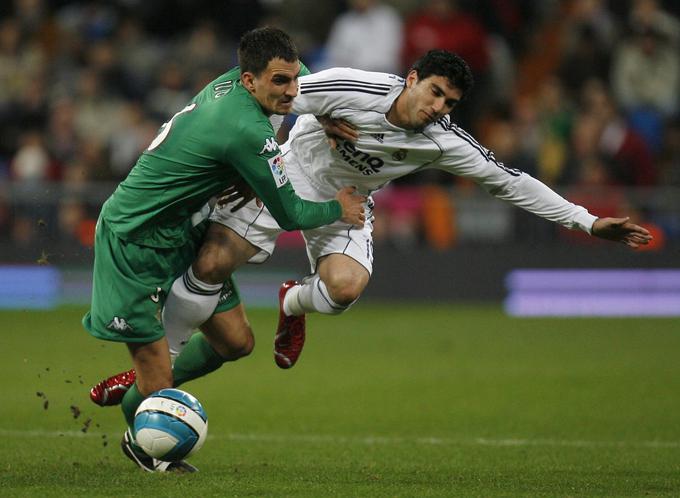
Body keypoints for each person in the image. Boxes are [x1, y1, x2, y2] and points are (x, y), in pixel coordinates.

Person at [91, 49, 652, 407]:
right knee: (212, 262)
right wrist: (306, 120)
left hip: (349, 201)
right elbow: (274, 96)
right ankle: (155, 374)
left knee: (345, 290)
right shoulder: (354, 87)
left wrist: (587, 219)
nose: (438, 107)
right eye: (433, 91)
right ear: (411, 79)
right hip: (290, 174)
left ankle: (293, 305)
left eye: (450, 102)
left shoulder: (443, 141)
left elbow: (510, 181)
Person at [83, 26, 366, 473]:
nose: (292, 91)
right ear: (249, 79)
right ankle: (143, 445)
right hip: (133, 241)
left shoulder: (244, 83)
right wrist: (339, 207)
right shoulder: (243, 127)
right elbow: (290, 213)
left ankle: (138, 385)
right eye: (280, 82)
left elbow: (305, 81)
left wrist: (321, 113)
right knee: (156, 385)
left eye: (293, 80)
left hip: (181, 229)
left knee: (237, 343)